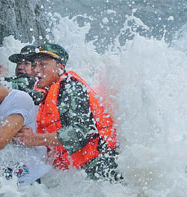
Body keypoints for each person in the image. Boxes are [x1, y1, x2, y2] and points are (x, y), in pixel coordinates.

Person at [15, 42, 121, 182]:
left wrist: (35, 139)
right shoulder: (45, 93)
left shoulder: (71, 87)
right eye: (34, 65)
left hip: (101, 164)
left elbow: (80, 131)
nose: (36, 70)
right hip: (78, 173)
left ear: (60, 67)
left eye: (43, 64)